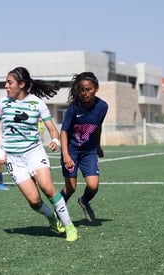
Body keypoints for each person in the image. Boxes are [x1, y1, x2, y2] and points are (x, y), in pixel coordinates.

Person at [0, 67, 77, 242]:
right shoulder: (2, 103)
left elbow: (53, 129)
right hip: (14, 159)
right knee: (34, 200)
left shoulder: (37, 104)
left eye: (9, 82)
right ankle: (52, 219)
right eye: (6, 82)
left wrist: (55, 140)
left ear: (21, 84)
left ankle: (69, 226)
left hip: (34, 153)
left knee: (47, 188)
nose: (6, 86)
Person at [59, 72, 108, 223]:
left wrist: (98, 146)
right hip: (72, 151)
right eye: (82, 90)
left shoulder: (103, 106)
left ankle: (84, 201)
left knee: (93, 186)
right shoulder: (74, 108)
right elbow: (64, 131)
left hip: (89, 151)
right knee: (71, 188)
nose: (85, 93)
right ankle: (57, 211)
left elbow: (98, 126)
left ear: (96, 89)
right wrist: (66, 155)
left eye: (89, 89)